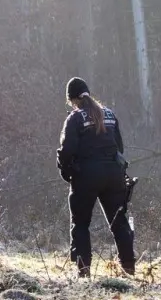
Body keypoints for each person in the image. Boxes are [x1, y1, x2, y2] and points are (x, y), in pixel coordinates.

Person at [56, 77, 136, 277]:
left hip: (87, 177)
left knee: (81, 224)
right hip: (114, 175)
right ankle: (129, 269)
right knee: (119, 223)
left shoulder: (74, 119)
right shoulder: (109, 114)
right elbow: (120, 148)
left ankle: (84, 272)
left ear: (71, 99)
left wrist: (67, 173)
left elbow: (66, 152)